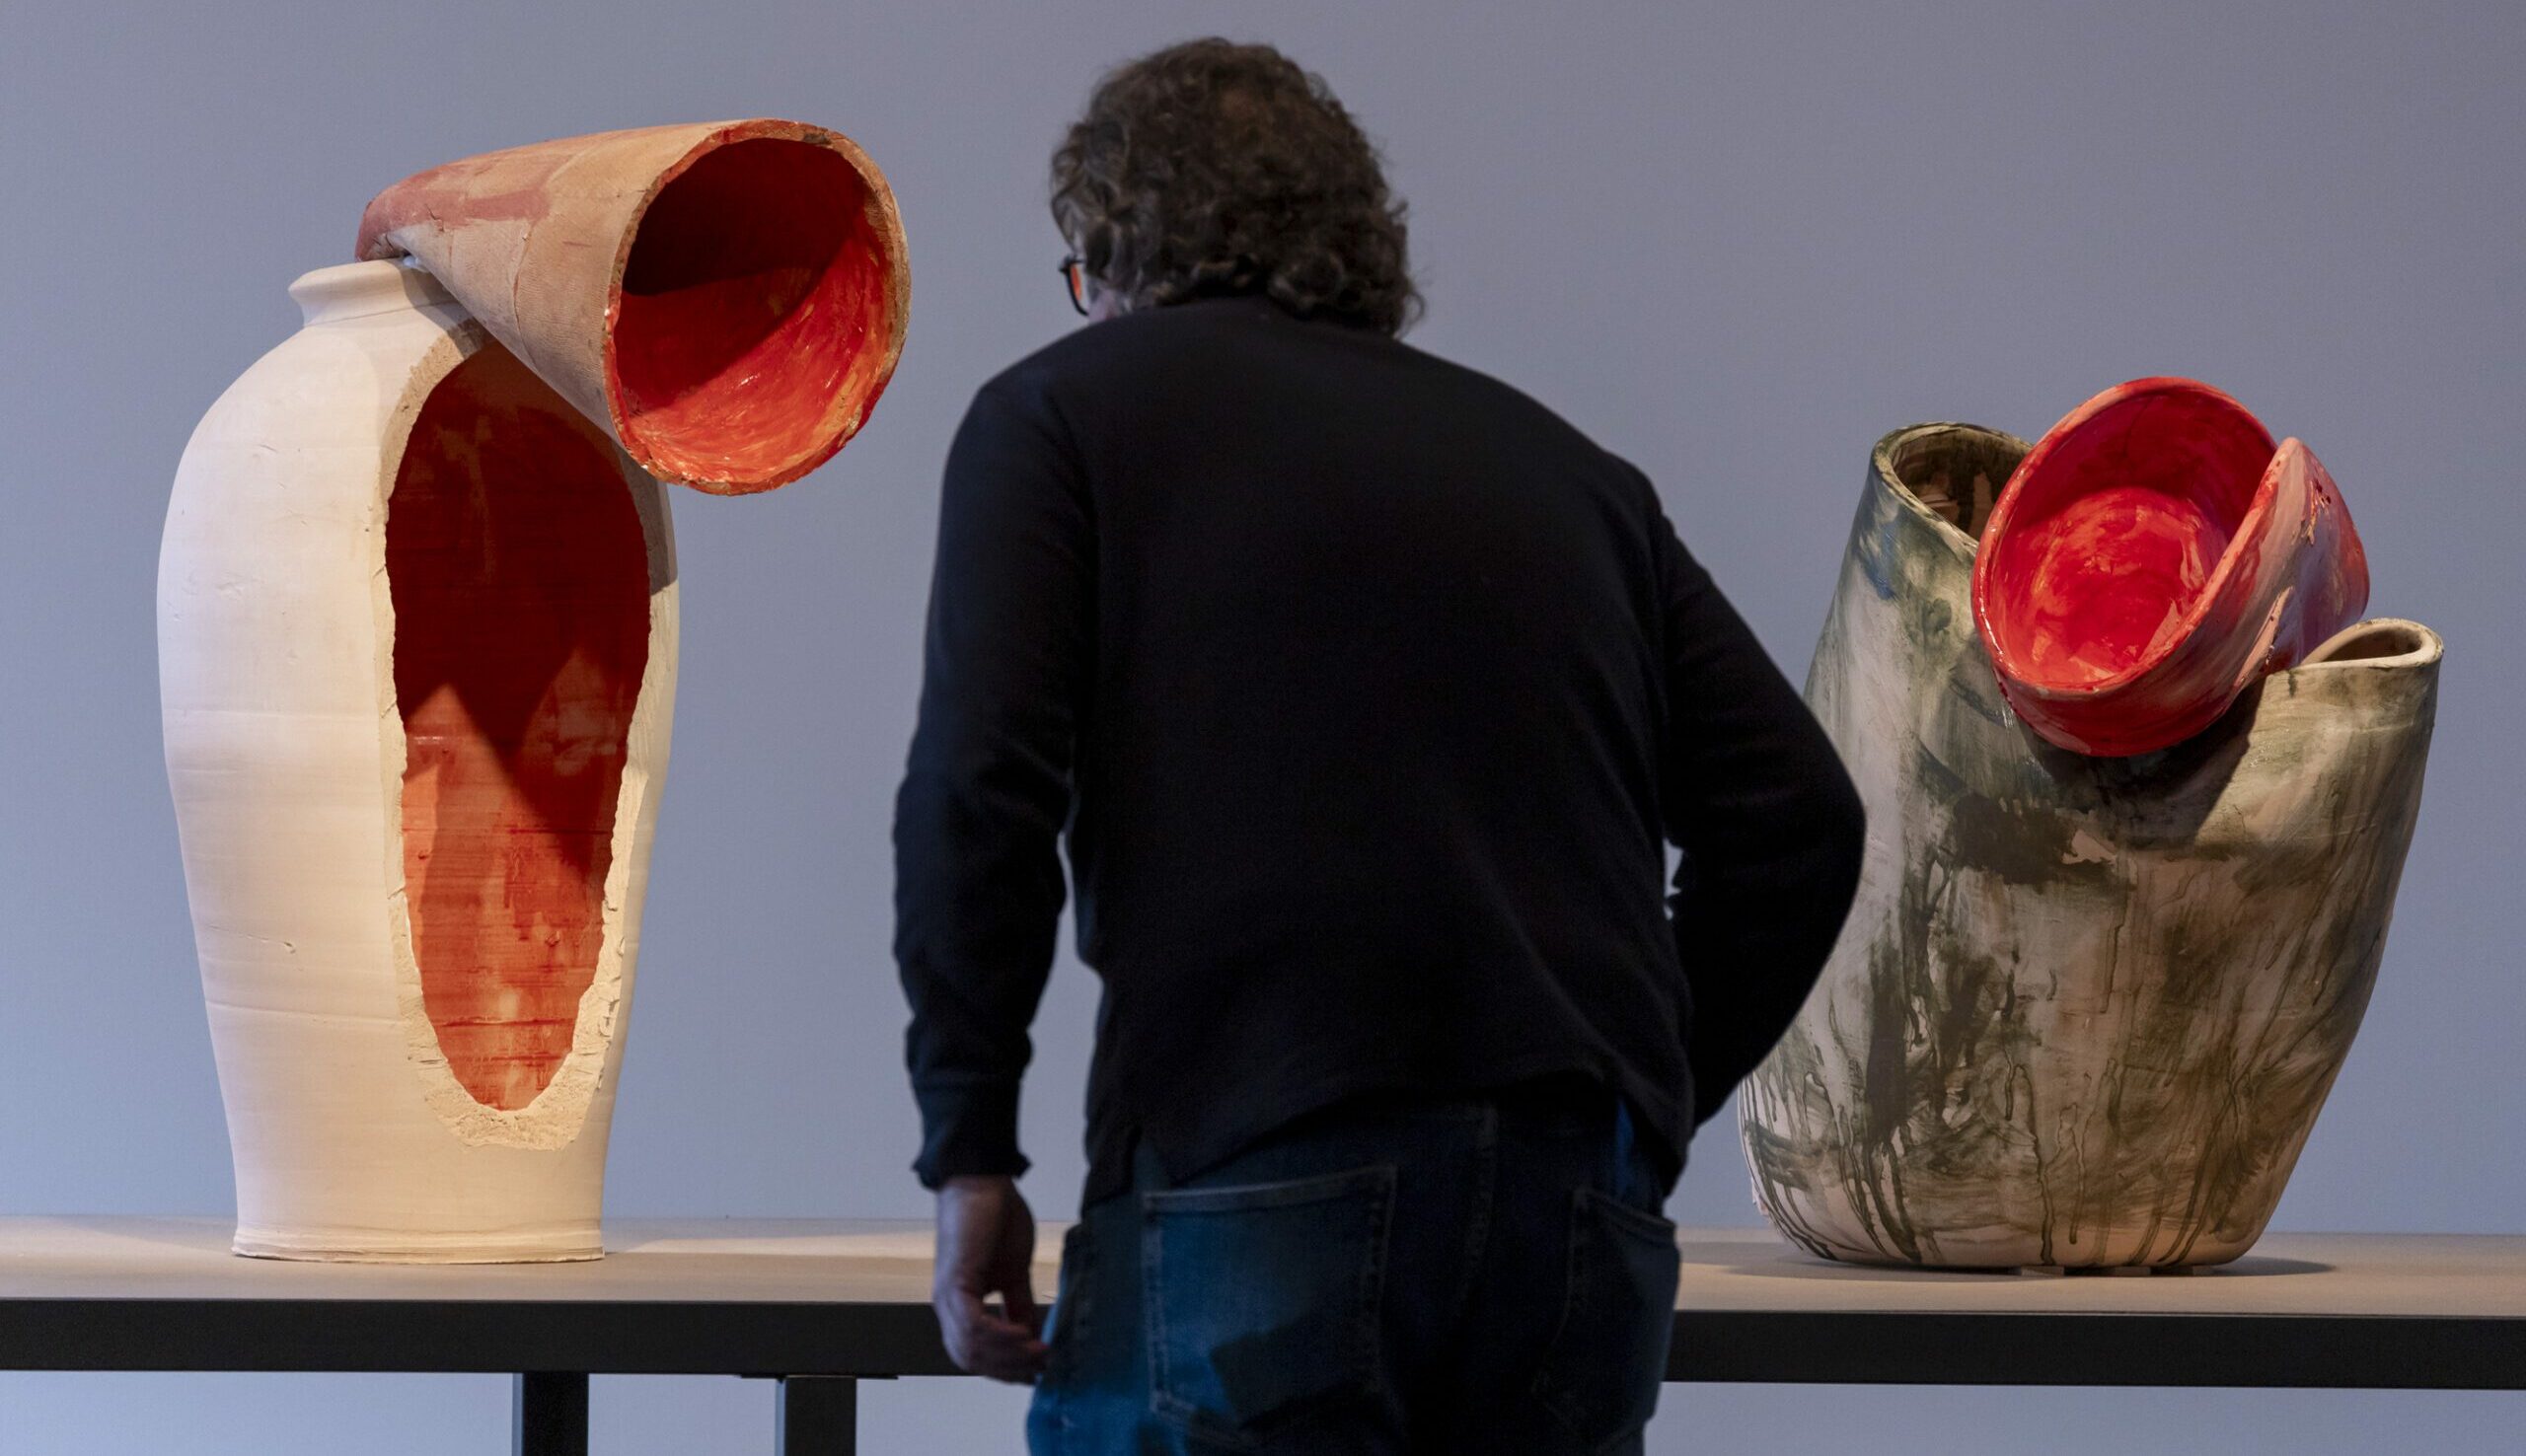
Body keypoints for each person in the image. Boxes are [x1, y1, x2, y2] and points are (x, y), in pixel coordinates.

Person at [893, 36, 1866, 1456]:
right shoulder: (1565, 472)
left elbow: (980, 791)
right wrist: (1632, 1106)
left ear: (1112, 250)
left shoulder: (1063, 416)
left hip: (1256, 1171)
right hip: (1570, 1224)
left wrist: (969, 1148)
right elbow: (1800, 818)